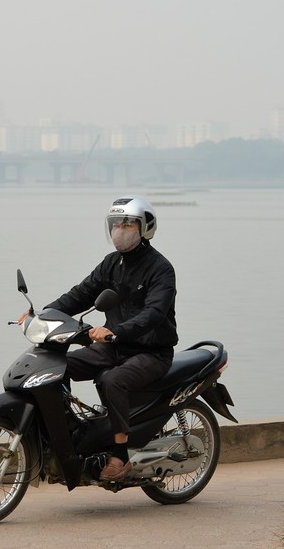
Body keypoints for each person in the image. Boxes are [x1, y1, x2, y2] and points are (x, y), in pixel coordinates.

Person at [44, 195, 178, 482]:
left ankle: (120, 456)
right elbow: (79, 294)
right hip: (113, 346)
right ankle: (72, 436)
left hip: (151, 352)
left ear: (145, 227)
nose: (121, 228)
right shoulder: (111, 264)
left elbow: (153, 314)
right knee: (56, 368)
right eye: (116, 223)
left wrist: (115, 331)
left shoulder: (161, 269)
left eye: (128, 223)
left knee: (111, 380)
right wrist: (43, 314)